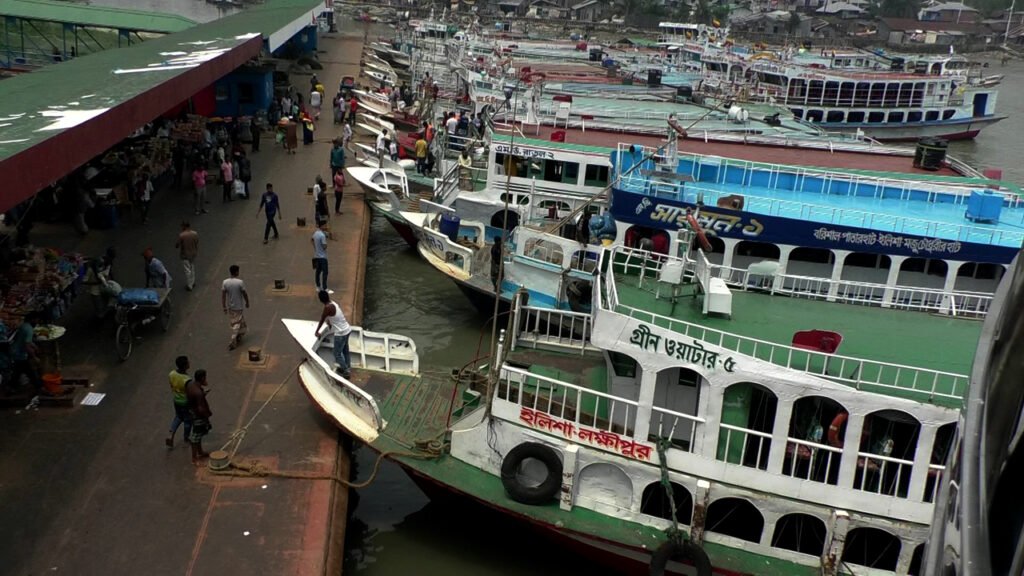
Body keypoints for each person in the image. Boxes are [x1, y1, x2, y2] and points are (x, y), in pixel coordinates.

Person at [314, 290, 352, 378]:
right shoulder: (333, 303)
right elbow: (334, 316)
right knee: (345, 350)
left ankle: (346, 371)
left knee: (337, 354)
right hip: (347, 329)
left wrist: (317, 331)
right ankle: (347, 367)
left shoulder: (327, 307)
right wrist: (330, 321)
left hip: (341, 333)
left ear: (320, 300)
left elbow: (322, 319)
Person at [185, 369, 212, 465]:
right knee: (195, 437)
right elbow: (200, 408)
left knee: (199, 435)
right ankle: (194, 458)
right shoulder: (198, 392)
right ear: (202, 378)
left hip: (192, 412)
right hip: (198, 416)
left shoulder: (191, 385)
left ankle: (200, 452)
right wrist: (207, 415)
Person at [10, 313, 41, 393]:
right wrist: (34, 357)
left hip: (15, 351)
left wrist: (35, 347)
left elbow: (28, 341)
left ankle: (11, 387)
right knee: (29, 371)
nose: (37, 322)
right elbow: (27, 346)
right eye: (37, 320)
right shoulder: (29, 329)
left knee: (18, 371)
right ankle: (38, 386)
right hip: (19, 353)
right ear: (32, 320)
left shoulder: (24, 325)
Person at [165, 356, 192, 448]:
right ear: (185, 366)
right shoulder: (186, 379)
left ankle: (171, 432)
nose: (189, 363)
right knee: (188, 420)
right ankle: (186, 437)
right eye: (188, 362)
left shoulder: (172, 374)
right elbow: (189, 392)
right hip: (185, 402)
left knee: (178, 417)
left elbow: (171, 385)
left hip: (176, 400)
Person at [222, 264, 250, 350]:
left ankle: (239, 335)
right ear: (236, 272)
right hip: (238, 307)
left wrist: (224, 306)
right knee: (237, 325)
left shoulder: (225, 282)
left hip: (231, 307)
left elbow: (223, 296)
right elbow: (244, 293)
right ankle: (233, 341)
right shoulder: (240, 282)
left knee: (241, 324)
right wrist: (247, 302)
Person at [83, 252, 117, 320]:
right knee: (99, 307)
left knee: (106, 303)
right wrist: (96, 283)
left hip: (103, 289)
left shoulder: (101, 268)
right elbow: (84, 281)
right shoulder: (90, 270)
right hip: (95, 291)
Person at [176, 221, 199, 291]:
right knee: (192, 268)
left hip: (185, 255)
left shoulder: (182, 235)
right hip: (193, 254)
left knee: (187, 270)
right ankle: (193, 282)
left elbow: (177, 245)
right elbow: (197, 242)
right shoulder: (195, 233)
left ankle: (189, 286)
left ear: (184, 226)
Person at [312, 221, 329, 291]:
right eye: (325, 225)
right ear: (321, 226)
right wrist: (325, 245)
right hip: (323, 257)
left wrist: (316, 248)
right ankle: (324, 287)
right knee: (325, 272)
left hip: (316, 256)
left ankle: (318, 286)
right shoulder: (322, 235)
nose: (326, 227)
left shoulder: (315, 233)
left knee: (318, 272)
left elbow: (312, 240)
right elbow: (324, 246)